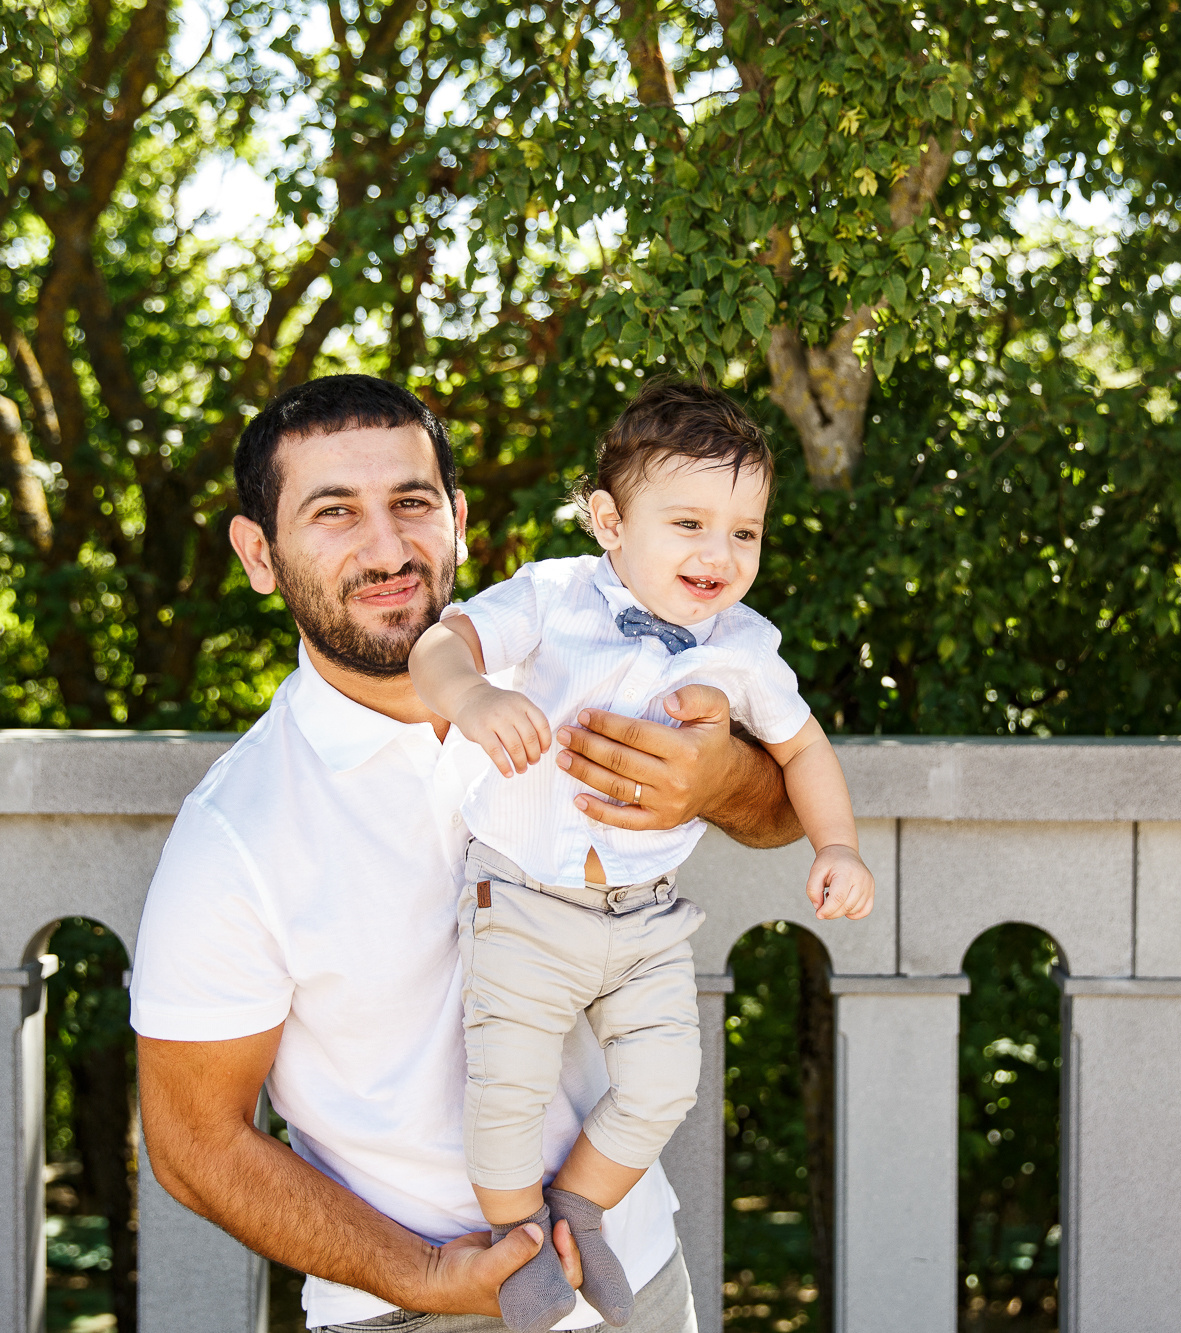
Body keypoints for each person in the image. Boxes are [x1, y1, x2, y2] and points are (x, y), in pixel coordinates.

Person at [130, 374, 804, 1332]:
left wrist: (720, 779)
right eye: (333, 512)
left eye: (411, 502)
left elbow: (779, 812)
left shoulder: (581, 658)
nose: (387, 546)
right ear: (259, 553)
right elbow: (193, 1145)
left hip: (635, 1269)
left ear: (456, 518)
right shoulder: (237, 834)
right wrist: (425, 1276)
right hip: (420, 1312)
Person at [407, 382, 874, 1331]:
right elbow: (438, 646)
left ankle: (578, 1204)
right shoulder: (552, 595)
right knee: (506, 1089)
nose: (721, 552)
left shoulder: (743, 645)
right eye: (692, 522)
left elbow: (803, 748)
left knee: (668, 1081)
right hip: (525, 902)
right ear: (612, 522)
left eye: (746, 532)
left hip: (648, 916)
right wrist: (474, 699)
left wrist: (839, 844)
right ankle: (521, 1249)